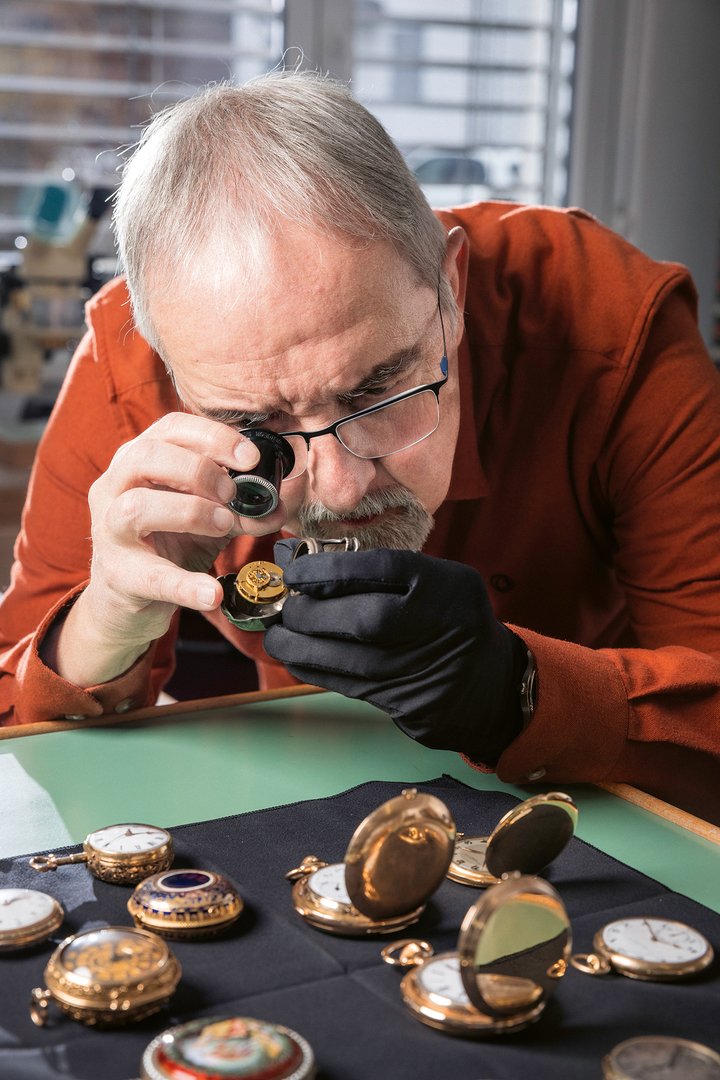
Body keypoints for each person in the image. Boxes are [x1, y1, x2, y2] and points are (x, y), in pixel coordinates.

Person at [1, 73, 719, 823]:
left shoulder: (613, 319)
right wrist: (106, 619)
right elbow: (16, 748)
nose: (341, 488)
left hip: (602, 808)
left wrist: (519, 688)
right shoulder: (130, 360)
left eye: (378, 390)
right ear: (168, 364)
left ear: (451, 288)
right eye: (257, 423)